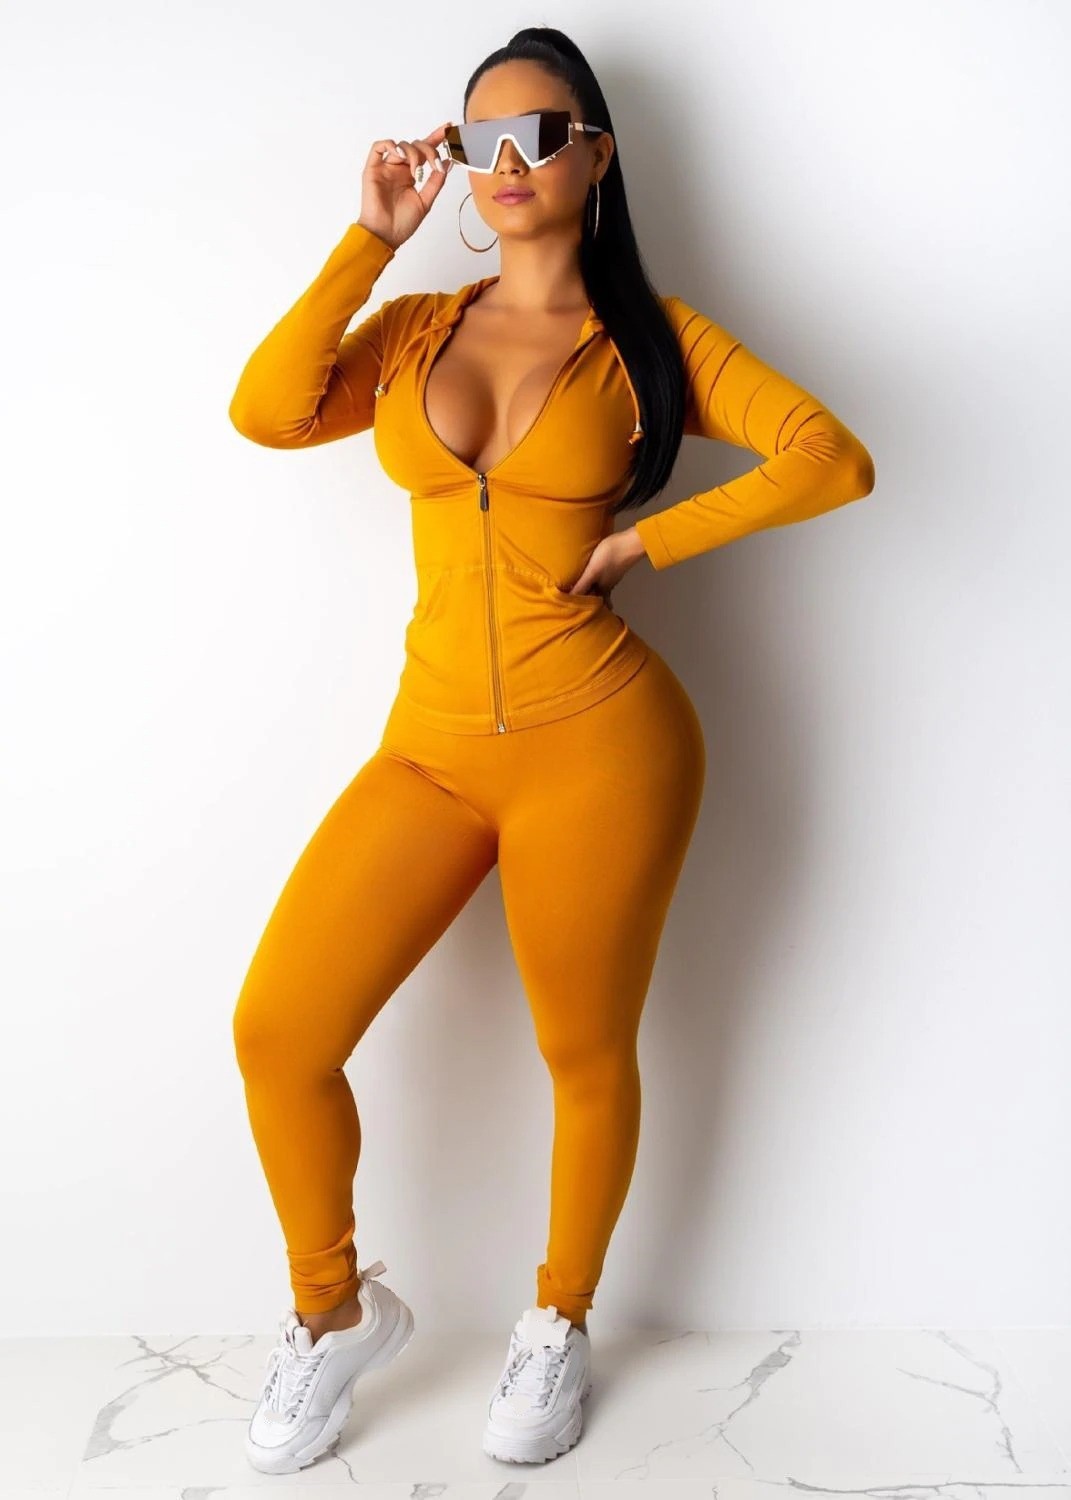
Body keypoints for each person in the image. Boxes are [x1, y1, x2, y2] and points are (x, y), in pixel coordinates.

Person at [227, 25, 875, 1478]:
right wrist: (370, 240)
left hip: (603, 746)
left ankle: (558, 1322)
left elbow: (830, 455)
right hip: (432, 752)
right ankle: (334, 1314)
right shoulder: (416, 329)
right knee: (279, 1031)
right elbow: (266, 412)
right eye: (482, 140)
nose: (508, 162)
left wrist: (649, 540)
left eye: (540, 134)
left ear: (597, 154)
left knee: (582, 1051)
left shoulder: (653, 340)